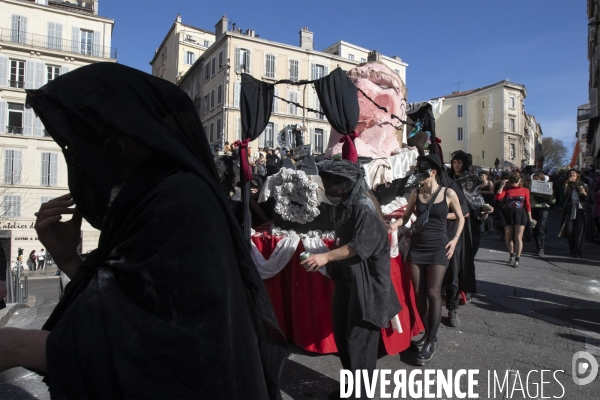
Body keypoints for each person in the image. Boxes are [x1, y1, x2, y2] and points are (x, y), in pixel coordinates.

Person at [0, 63, 287, 399]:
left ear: (117, 135)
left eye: (83, 137)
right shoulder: (154, 193)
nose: (79, 153)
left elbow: (178, 352)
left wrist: (21, 346)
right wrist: (68, 259)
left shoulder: (179, 197)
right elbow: (130, 307)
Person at [301, 159, 400, 397]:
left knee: (359, 345)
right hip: (348, 281)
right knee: (344, 338)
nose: (324, 187)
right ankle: (351, 389)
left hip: (368, 287)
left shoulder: (364, 205)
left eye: (327, 182)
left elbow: (359, 246)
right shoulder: (346, 203)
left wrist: (325, 258)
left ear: (344, 183)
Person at [390, 154, 464, 364]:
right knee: (419, 292)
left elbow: (460, 218)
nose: (417, 175)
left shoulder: (448, 193)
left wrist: (455, 239)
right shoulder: (416, 192)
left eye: (420, 172)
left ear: (432, 172)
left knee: (433, 292)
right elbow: (405, 217)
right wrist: (392, 227)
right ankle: (427, 332)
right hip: (417, 246)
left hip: (439, 247)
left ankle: (431, 340)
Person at [443, 151, 474, 326]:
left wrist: (442, 215)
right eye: (453, 162)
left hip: (453, 233)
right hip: (433, 236)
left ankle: (452, 308)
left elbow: (465, 211)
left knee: (453, 272)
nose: (456, 165)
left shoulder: (452, 185)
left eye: (459, 162)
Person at [495, 173, 534, 268]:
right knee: (508, 238)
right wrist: (502, 185)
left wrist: (530, 218)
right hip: (508, 214)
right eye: (512, 181)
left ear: (520, 180)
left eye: (516, 181)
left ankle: (517, 258)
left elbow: (528, 205)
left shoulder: (525, 190)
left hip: (520, 214)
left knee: (518, 237)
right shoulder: (507, 190)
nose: (514, 183)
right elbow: (498, 198)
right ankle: (511, 254)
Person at [559, 169, 588, 258]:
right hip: (570, 209)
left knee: (579, 231)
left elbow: (589, 199)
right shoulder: (567, 186)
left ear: (577, 175)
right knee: (569, 230)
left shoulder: (583, 185)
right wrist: (566, 183)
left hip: (580, 210)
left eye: (574, 174)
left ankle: (578, 251)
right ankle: (572, 249)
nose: (572, 175)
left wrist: (584, 194)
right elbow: (561, 196)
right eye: (570, 174)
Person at [530, 172, 555, 257]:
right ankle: (537, 246)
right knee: (534, 228)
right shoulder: (530, 187)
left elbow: (552, 201)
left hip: (543, 209)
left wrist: (551, 194)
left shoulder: (547, 187)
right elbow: (528, 199)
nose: (536, 180)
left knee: (541, 228)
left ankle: (541, 248)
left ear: (542, 179)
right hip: (533, 208)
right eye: (535, 178)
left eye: (538, 178)